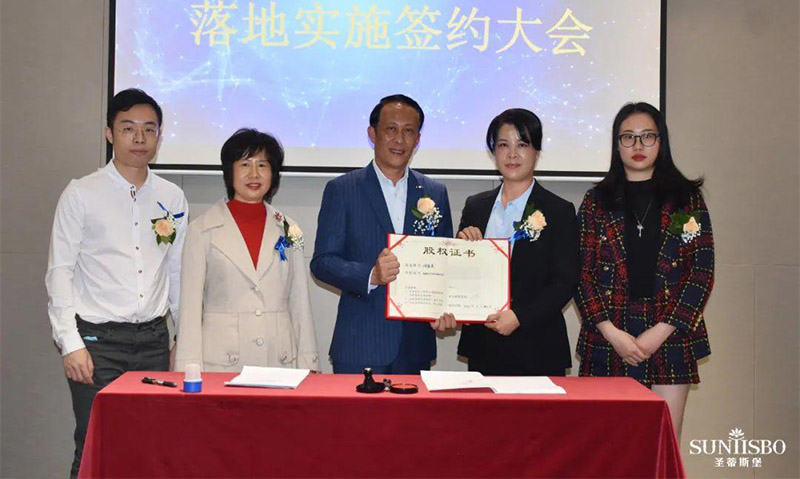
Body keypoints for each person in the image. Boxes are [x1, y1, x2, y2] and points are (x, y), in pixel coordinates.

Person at [46, 88, 188, 478]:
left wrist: (182, 337)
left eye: (149, 129)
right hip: (97, 343)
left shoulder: (172, 196)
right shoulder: (81, 193)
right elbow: (60, 272)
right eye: (128, 128)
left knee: (151, 446)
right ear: (109, 133)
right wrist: (70, 343)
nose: (139, 138)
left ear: (159, 135)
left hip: (154, 341)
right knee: (96, 444)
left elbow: (176, 271)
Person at [574, 102, 713, 440]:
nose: (638, 145)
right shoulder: (596, 202)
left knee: (662, 443)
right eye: (628, 137)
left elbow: (701, 271)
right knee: (607, 447)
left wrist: (659, 331)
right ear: (616, 144)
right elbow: (581, 273)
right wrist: (611, 332)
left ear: (661, 141)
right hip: (609, 334)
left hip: (669, 333)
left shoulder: (686, 200)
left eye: (647, 136)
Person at [311, 94, 455, 374]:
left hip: (415, 347)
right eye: (391, 129)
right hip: (360, 343)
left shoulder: (435, 192)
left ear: (418, 139)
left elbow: (444, 265)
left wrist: (445, 309)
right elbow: (323, 261)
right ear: (372, 134)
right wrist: (371, 275)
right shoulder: (342, 189)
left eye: (409, 131)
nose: (399, 139)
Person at [174, 128, 319, 372]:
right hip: (221, 364)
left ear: (274, 173)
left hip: (279, 361)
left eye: (262, 165)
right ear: (229, 171)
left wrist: (309, 362)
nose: (254, 174)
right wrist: (187, 369)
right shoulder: (201, 230)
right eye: (245, 164)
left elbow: (300, 302)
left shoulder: (289, 228)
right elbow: (190, 308)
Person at [455, 108, 579, 376]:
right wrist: (461, 248)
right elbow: (461, 273)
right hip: (483, 345)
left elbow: (564, 282)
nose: (512, 154)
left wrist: (520, 317)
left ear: (537, 151)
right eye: (503, 145)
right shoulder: (475, 206)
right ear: (493, 152)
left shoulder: (559, 210)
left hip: (537, 346)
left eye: (522, 145)